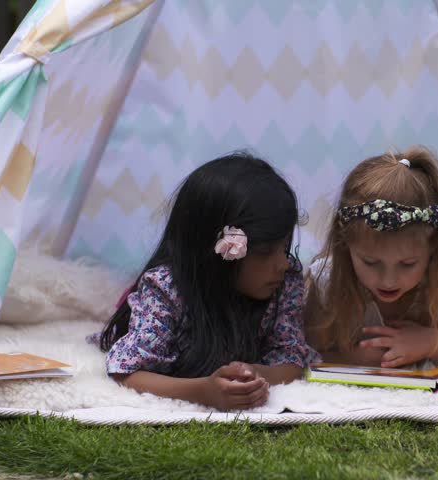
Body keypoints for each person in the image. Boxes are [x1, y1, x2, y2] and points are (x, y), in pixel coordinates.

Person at [94, 152, 320, 411]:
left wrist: (254, 373)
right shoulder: (166, 289)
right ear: (220, 254)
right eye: (266, 252)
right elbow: (127, 371)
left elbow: (292, 359)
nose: (282, 262)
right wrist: (201, 391)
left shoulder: (284, 280)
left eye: (284, 248)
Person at [304, 146, 438, 369]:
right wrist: (365, 359)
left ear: (434, 248)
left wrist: (436, 344)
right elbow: (308, 356)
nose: (388, 280)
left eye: (407, 264)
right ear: (346, 246)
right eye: (371, 262)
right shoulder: (328, 283)